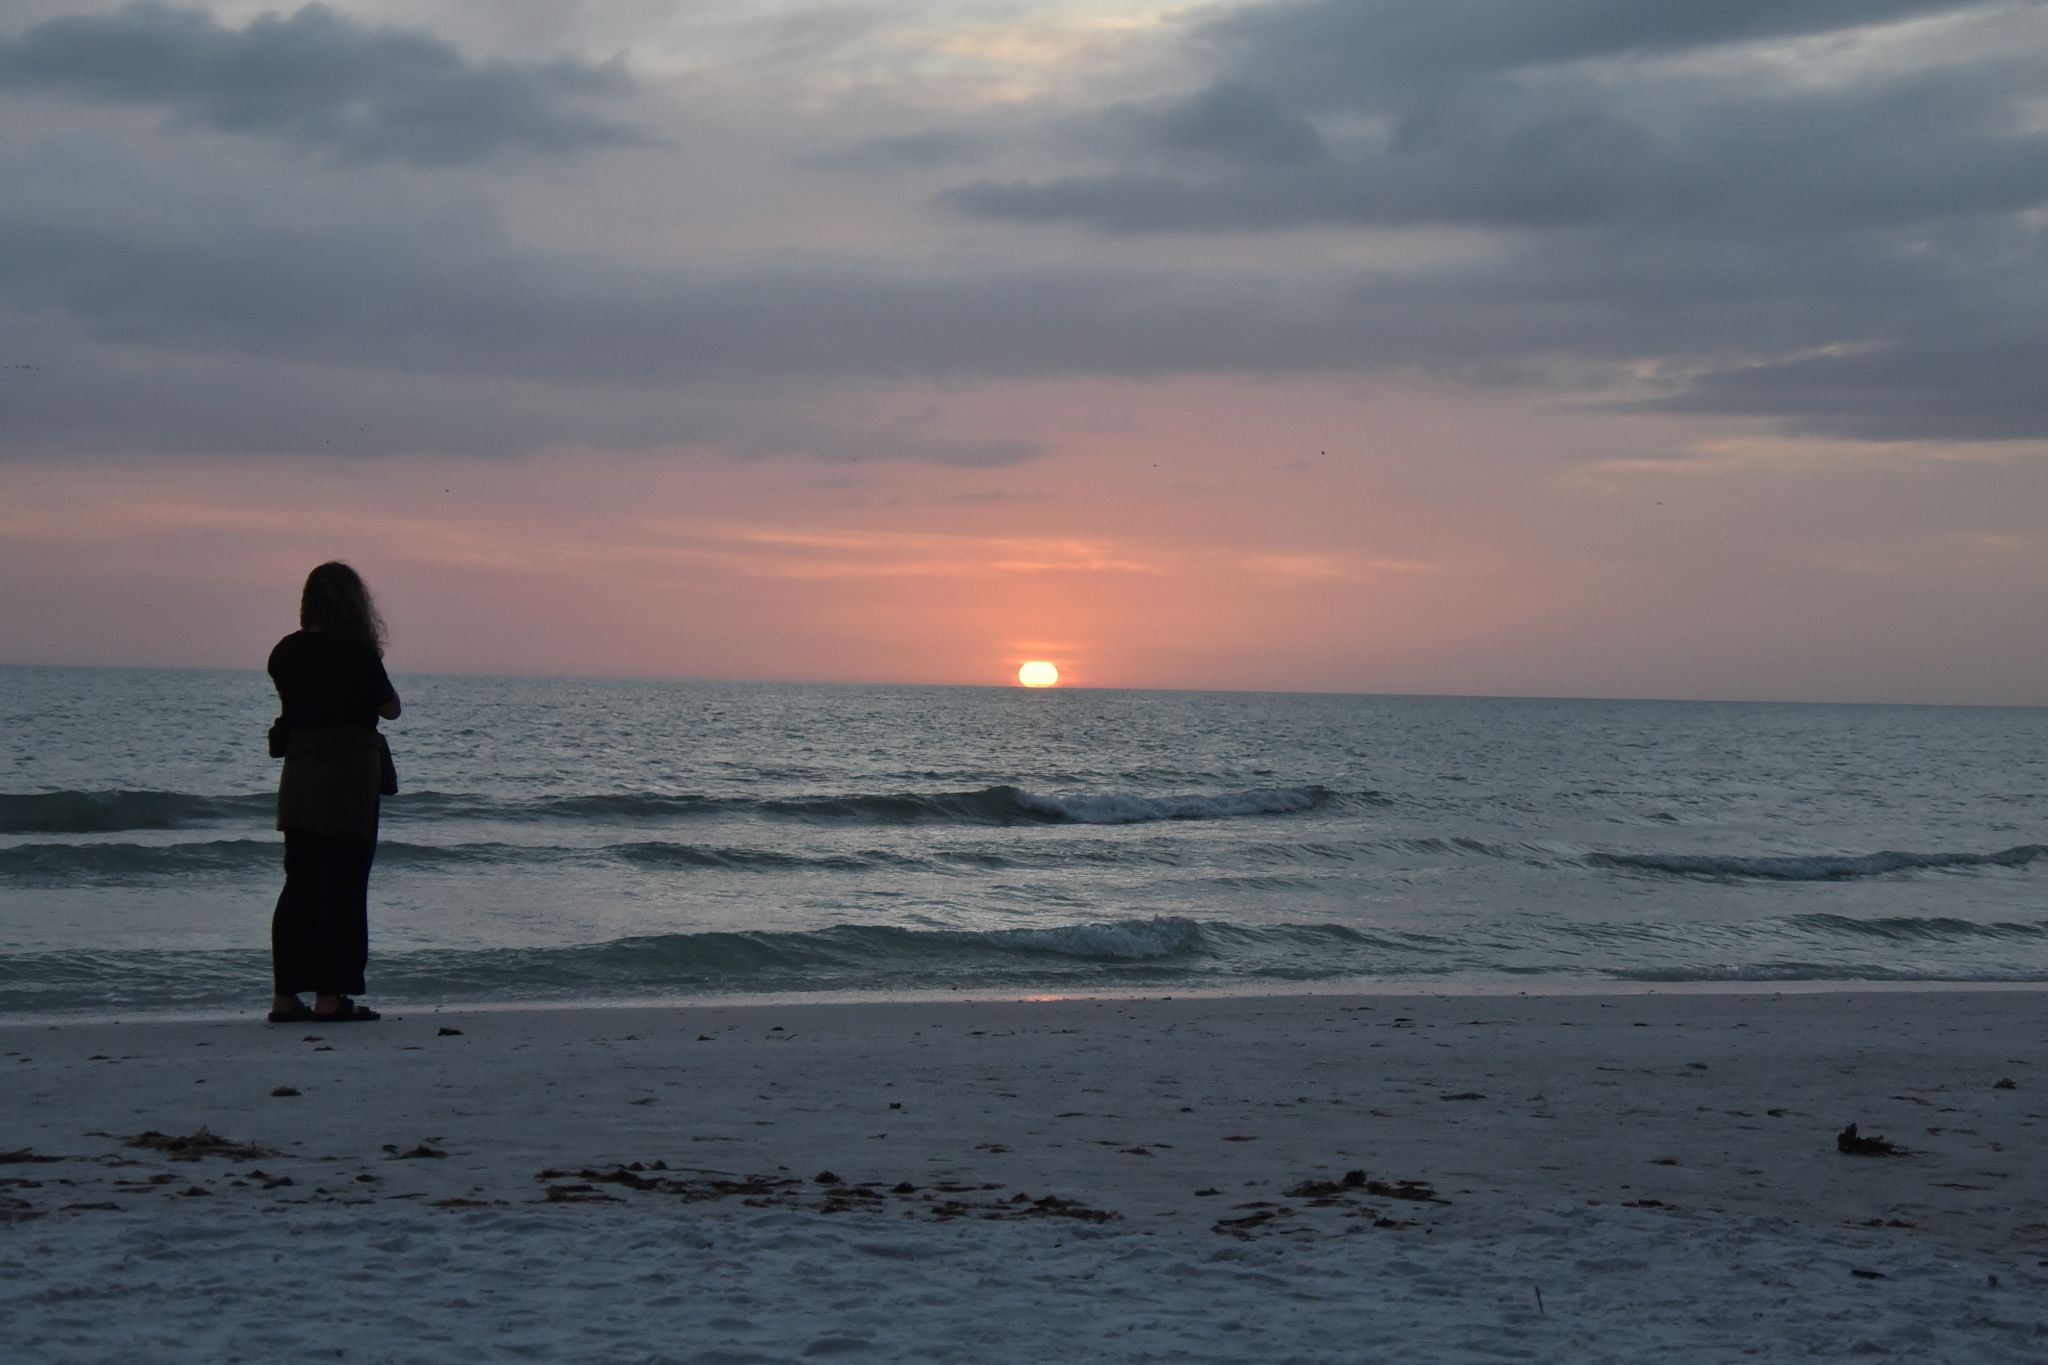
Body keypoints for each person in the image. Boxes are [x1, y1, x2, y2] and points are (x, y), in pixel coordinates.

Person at [266, 562, 401, 1024]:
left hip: (301, 774)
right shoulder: (357, 652)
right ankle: (331, 996)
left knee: (298, 886)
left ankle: (285, 998)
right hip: (348, 778)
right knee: (343, 888)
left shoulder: (285, 652)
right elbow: (391, 708)